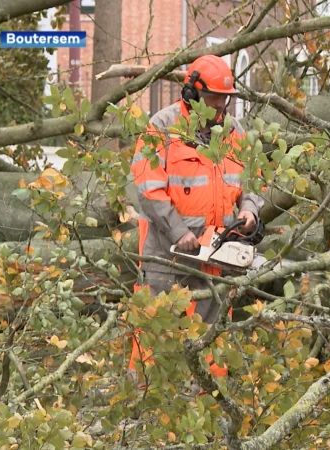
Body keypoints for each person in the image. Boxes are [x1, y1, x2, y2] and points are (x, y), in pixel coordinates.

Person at [127, 54, 265, 387]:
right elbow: (147, 188)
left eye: (223, 101)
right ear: (192, 94)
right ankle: (140, 409)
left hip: (217, 256)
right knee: (153, 337)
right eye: (212, 100)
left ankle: (210, 410)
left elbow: (254, 180)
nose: (218, 109)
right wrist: (178, 230)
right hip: (165, 255)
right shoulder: (163, 127)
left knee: (212, 344)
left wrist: (249, 211)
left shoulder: (235, 133)